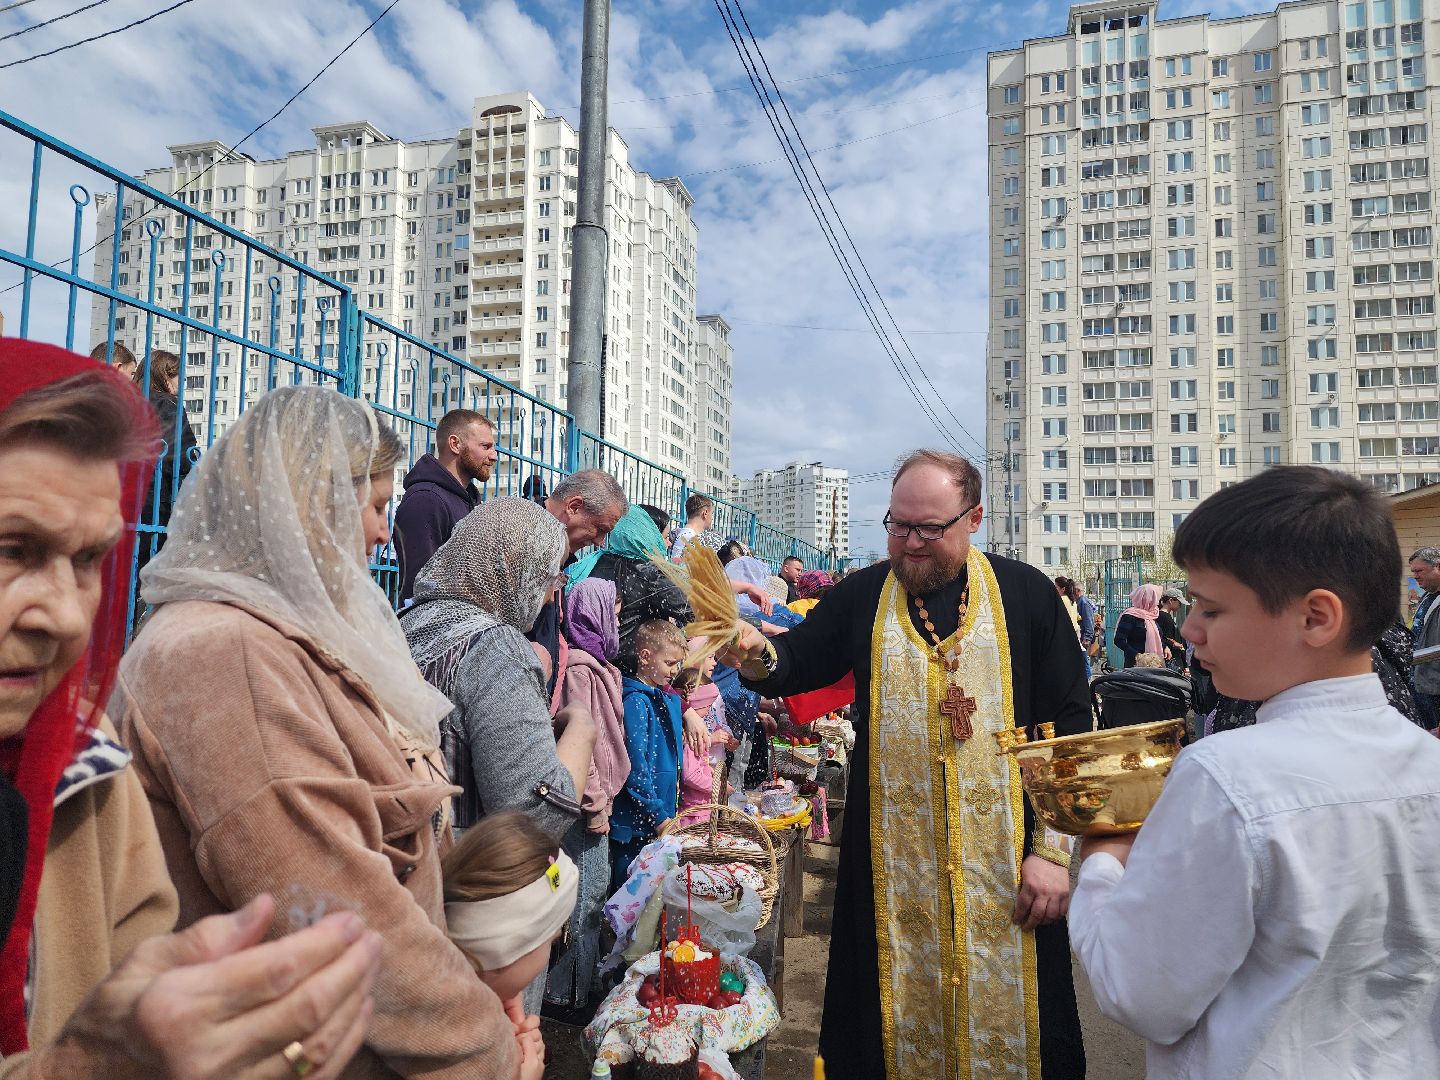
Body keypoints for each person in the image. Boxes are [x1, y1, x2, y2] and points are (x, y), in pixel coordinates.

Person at [114, 385, 522, 1077]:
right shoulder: (224, 654)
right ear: (309, 509)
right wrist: (489, 1053)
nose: (382, 534)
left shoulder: (278, 634)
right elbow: (339, 909)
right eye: (374, 507)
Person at [1, 342, 377, 1079]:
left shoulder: (87, 768)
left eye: (89, 560)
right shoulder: (218, 653)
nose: (66, 618)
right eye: (13, 549)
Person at [721, 449, 1088, 1080]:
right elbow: (796, 662)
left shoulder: (1027, 595)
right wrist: (755, 653)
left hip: (1011, 871)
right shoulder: (865, 594)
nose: (911, 543)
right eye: (899, 525)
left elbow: (1070, 725)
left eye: (929, 529)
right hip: (891, 874)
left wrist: (1053, 855)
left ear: (973, 519)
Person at [1069, 466, 1440, 1078]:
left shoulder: (1225, 776)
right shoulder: (1427, 763)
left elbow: (1140, 993)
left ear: (1316, 618)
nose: (1190, 630)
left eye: (1212, 609)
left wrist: (1104, 862)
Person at [402, 498, 595, 839]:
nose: (551, 598)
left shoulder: (404, 622)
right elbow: (535, 816)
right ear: (515, 569)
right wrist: (582, 726)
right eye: (550, 579)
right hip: (457, 861)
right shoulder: (496, 647)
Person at [545, 578, 629, 1012]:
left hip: (597, 801)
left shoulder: (599, 665)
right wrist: (594, 804)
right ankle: (566, 996)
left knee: (591, 893)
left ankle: (577, 986)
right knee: (583, 898)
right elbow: (583, 745)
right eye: (613, 611)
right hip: (584, 806)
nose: (617, 619)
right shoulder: (580, 670)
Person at [443, 812, 579, 1075]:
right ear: (510, 949)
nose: (550, 953)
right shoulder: (457, 1049)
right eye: (551, 942)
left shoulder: (447, 1006)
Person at [610, 619, 688, 892]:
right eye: (669, 663)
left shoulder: (659, 698)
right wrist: (658, 815)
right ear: (645, 656)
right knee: (630, 898)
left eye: (678, 663)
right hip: (636, 827)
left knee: (653, 901)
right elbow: (635, 767)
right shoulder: (636, 701)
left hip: (655, 820)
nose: (675, 670)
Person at [567, 506, 694, 666]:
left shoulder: (594, 561)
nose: (668, 544)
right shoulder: (648, 573)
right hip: (630, 668)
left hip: (587, 657)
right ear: (650, 535)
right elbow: (692, 610)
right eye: (665, 537)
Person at [393, 409, 497, 602]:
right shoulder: (425, 500)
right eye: (485, 446)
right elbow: (421, 589)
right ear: (455, 444)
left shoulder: (469, 500)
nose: (494, 456)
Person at [132, 349, 199, 565]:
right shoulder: (168, 404)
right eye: (181, 377)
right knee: (152, 562)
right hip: (158, 498)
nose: (183, 383)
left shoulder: (126, 400)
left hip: (124, 493)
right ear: (166, 376)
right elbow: (184, 456)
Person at [1411, 546, 1440, 731]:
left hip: (1435, 687)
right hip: (1421, 682)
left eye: (1419, 571)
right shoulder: (1427, 597)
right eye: (1413, 571)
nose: (1415, 576)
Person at [1114, 583, 1163, 668]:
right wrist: (1137, 655)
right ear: (1149, 599)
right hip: (1135, 663)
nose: (1157, 602)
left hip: (1154, 663)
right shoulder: (1130, 616)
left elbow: (1158, 637)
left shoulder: (1153, 615)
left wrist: (1165, 647)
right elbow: (1119, 640)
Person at [669, 493, 714, 559]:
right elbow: (678, 562)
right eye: (712, 513)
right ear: (705, 513)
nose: (712, 518)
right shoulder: (690, 537)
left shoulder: (685, 534)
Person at [1157, 587, 1187, 665]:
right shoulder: (1162, 616)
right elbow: (1160, 636)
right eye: (1179, 603)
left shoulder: (1166, 616)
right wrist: (1172, 643)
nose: (1180, 606)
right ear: (1170, 601)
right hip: (1170, 658)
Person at [1076, 583, 1099, 675]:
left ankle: (1088, 679)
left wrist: (1087, 638)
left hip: (1083, 637)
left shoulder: (1084, 603)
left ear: (1077, 591)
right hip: (1081, 636)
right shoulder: (1080, 601)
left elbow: (1088, 621)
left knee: (1084, 661)